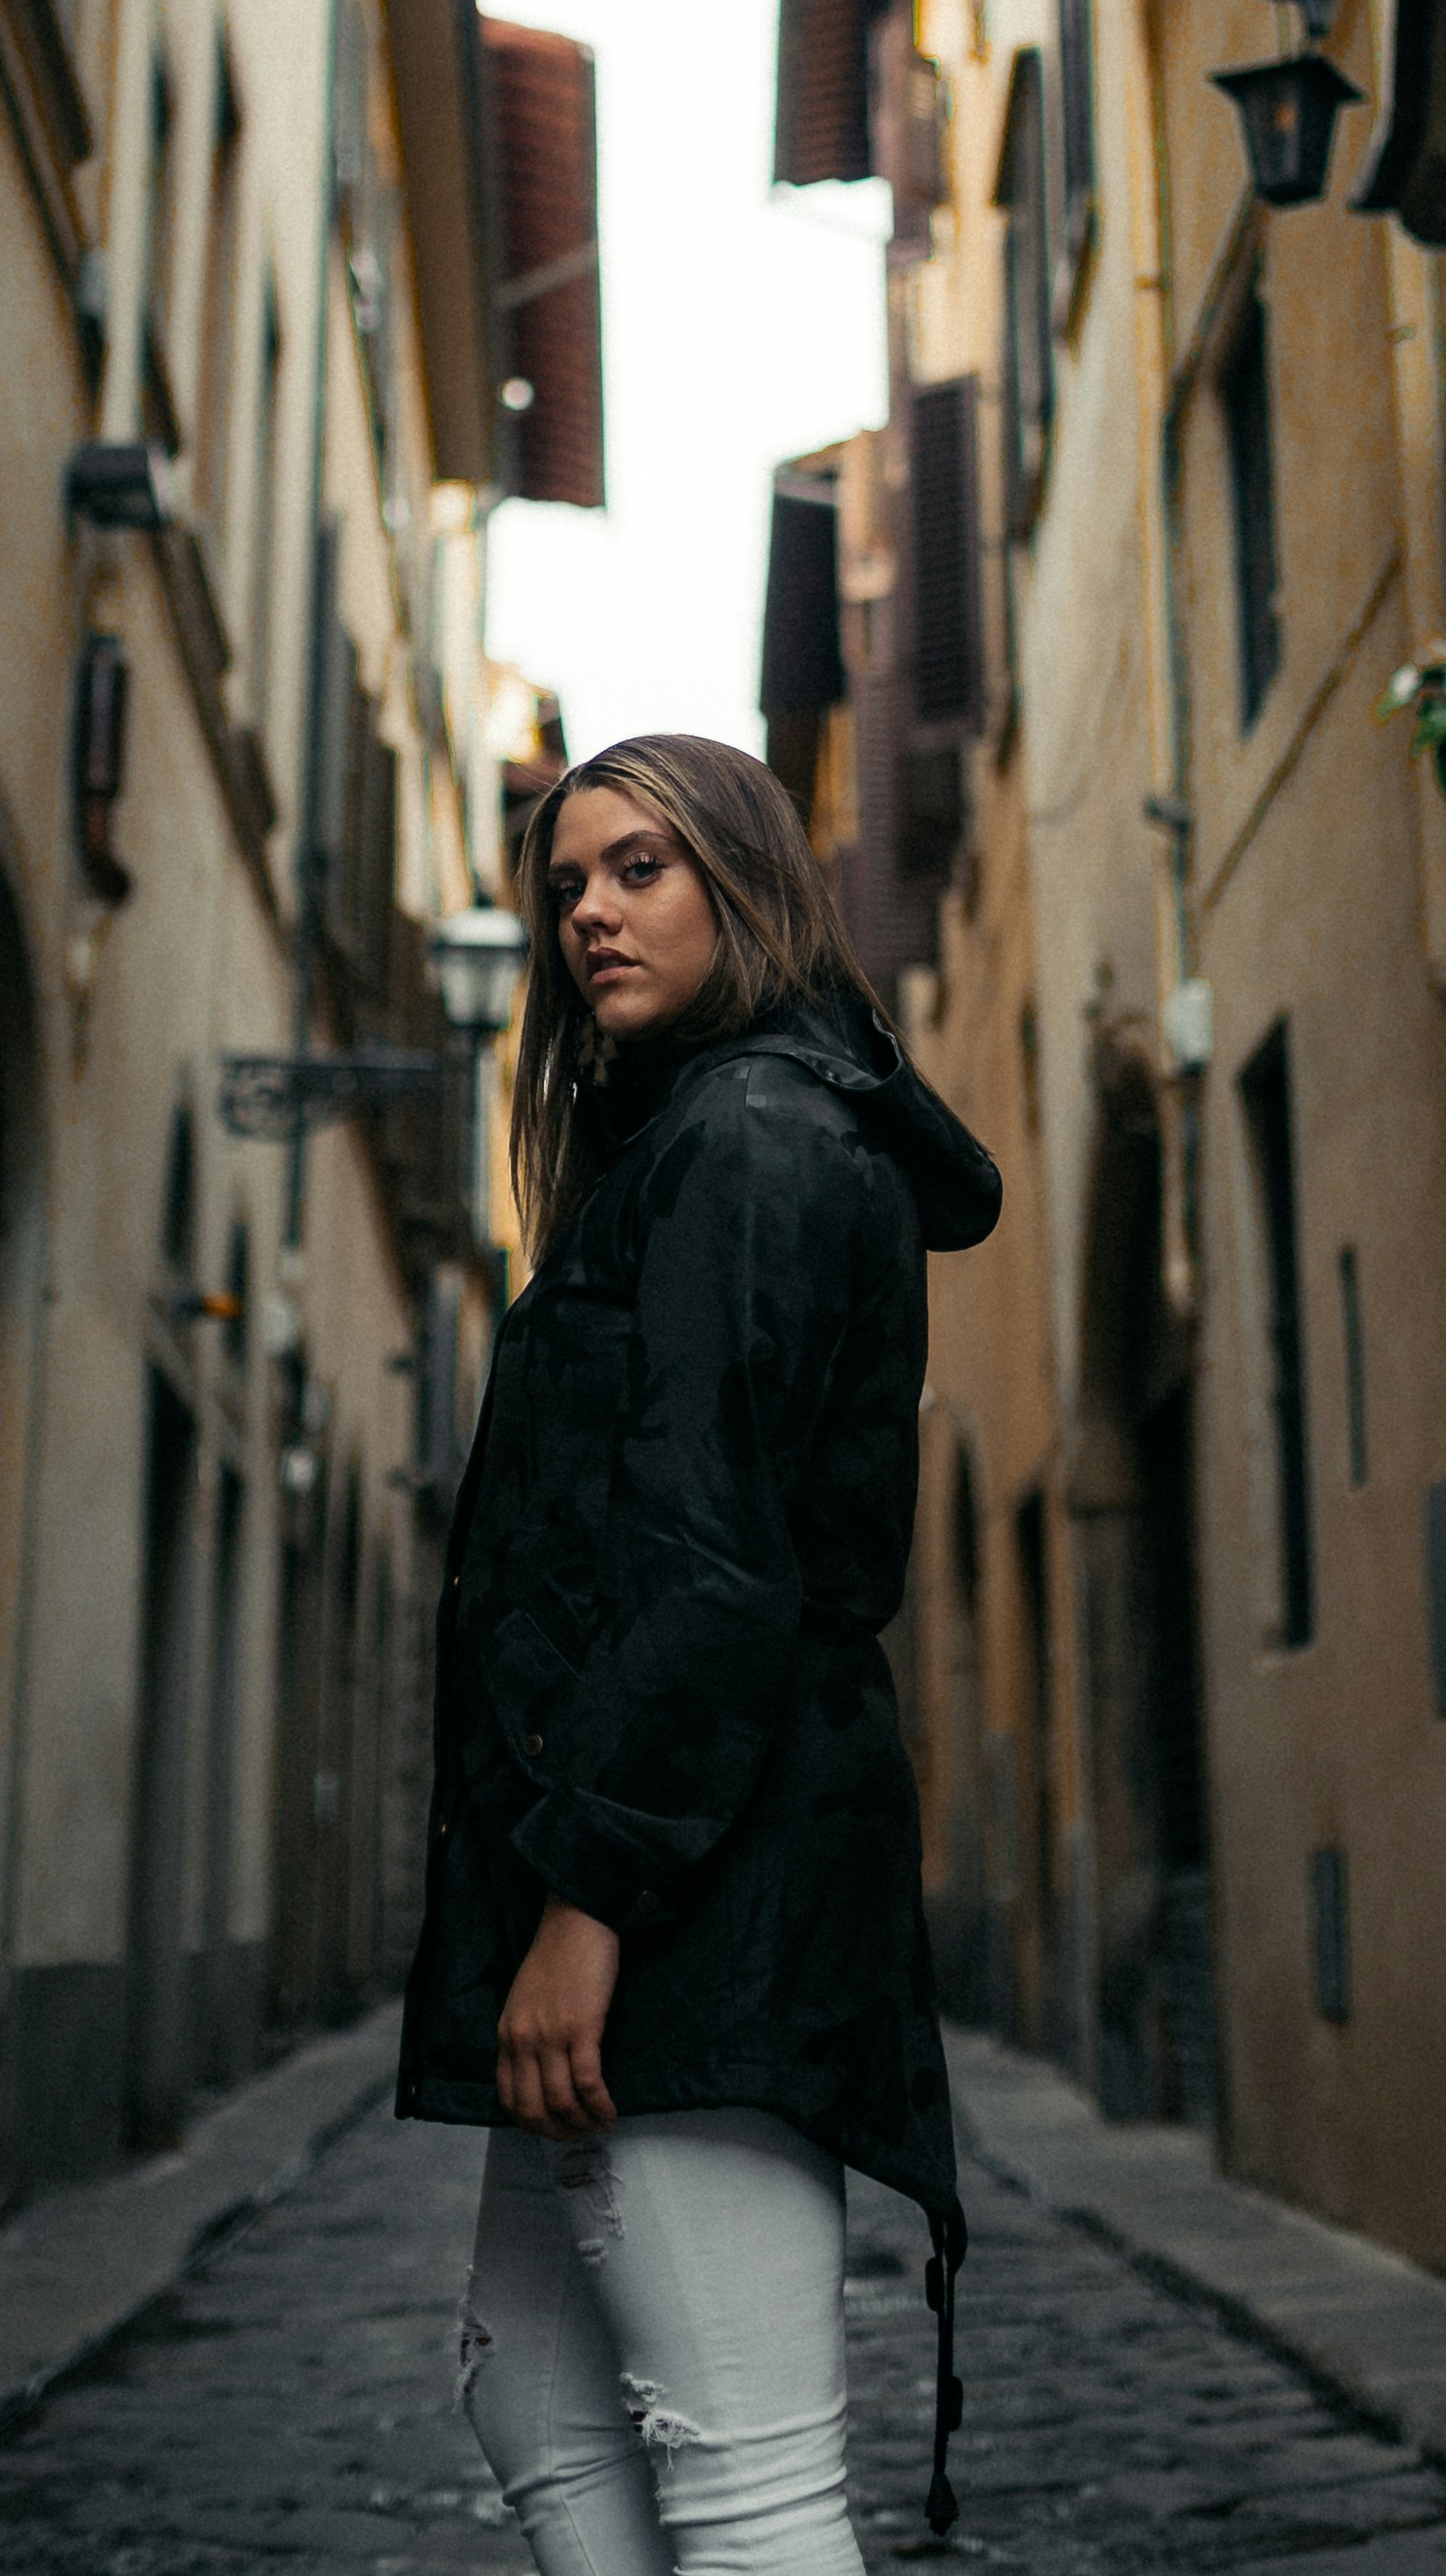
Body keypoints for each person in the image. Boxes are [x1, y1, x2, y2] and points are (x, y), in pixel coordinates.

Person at [396, 733, 1002, 2576]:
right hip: (649, 1882)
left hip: (690, 1900)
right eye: (566, 879)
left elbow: (712, 1566)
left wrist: (590, 1908)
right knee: (540, 2396)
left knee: (744, 2472)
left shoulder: (747, 1136)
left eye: (639, 866)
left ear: (744, 883)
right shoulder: (690, 1139)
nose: (588, 908)